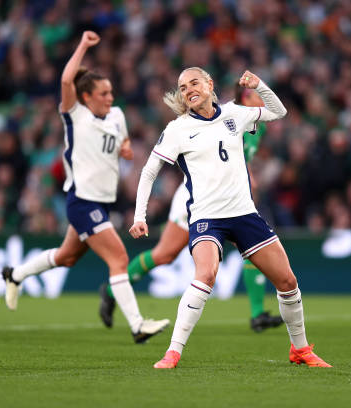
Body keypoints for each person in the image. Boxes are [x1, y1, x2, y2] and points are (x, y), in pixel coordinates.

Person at [129, 67, 331, 368]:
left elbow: (279, 111)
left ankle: (300, 350)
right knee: (206, 274)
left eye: (194, 83)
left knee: (287, 281)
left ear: (210, 84)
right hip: (206, 217)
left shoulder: (236, 113)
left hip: (244, 214)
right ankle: (172, 352)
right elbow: (148, 172)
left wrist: (259, 85)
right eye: (183, 87)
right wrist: (139, 215)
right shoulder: (177, 129)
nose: (188, 90)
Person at [1, 31, 169, 344]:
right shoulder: (75, 116)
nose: (110, 97)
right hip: (82, 202)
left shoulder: (117, 115)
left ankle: (16, 275)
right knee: (119, 259)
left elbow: (123, 138)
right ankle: (137, 325)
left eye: (111, 92)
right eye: (103, 93)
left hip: (102, 202)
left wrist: (127, 148)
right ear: (87, 97)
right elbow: (67, 82)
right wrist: (83, 45)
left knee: (67, 257)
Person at [97, 84, 283, 333]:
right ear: (246, 97)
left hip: (228, 199)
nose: (262, 101)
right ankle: (112, 289)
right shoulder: (224, 116)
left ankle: (257, 313)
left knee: (251, 248)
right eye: (258, 96)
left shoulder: (252, 126)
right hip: (198, 197)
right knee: (164, 254)